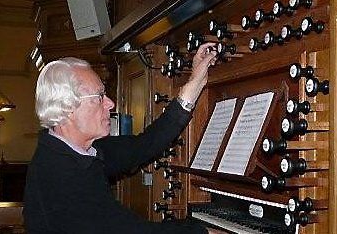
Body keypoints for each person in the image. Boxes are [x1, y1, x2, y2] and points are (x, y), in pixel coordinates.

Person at [23, 43, 223, 233]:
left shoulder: (77, 150)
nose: (110, 104)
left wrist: (195, 83)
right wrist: (203, 232)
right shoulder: (60, 176)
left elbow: (144, 145)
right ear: (67, 108)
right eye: (99, 97)